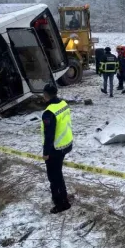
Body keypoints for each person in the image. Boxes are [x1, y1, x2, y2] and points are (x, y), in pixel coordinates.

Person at [41, 84, 73, 214]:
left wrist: (46, 153)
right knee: (58, 174)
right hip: (66, 144)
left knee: (54, 177)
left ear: (46, 95)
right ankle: (63, 197)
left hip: (56, 149)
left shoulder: (49, 112)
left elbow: (49, 135)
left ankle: (61, 203)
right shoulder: (63, 104)